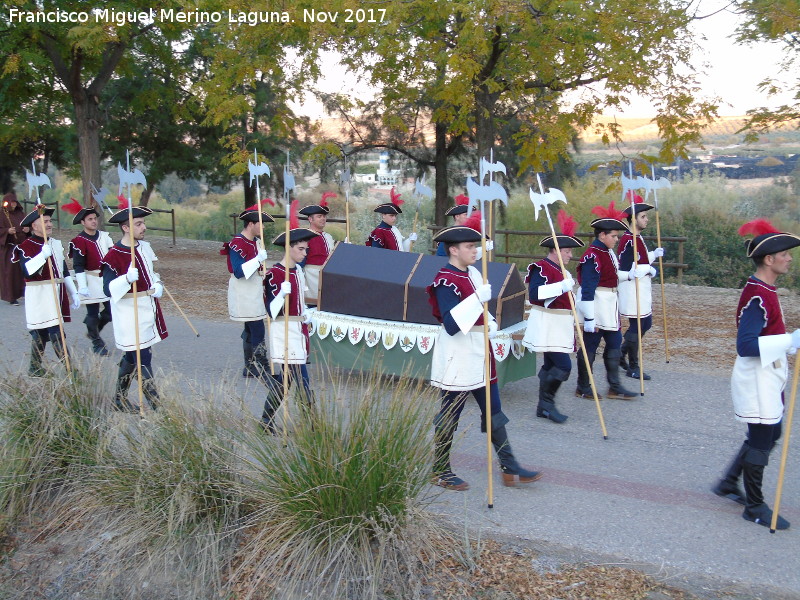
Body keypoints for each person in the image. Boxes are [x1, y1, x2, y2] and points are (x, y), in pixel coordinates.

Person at [427, 225, 541, 491]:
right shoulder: (445, 281)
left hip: (480, 350)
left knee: (494, 410)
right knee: (450, 414)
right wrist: (477, 298)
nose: (475, 251)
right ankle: (440, 470)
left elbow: (481, 311)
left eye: (475, 246)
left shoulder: (475, 273)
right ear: (454, 250)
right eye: (469, 246)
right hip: (457, 353)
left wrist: (489, 320)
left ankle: (510, 468)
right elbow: (451, 325)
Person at [712, 219, 800, 530]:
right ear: (769, 259)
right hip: (757, 378)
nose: (789, 259)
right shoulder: (757, 296)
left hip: (768, 375)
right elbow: (746, 345)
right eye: (785, 254)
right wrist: (788, 341)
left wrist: (787, 342)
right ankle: (754, 505)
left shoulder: (765, 290)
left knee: (769, 434)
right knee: (763, 438)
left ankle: (728, 482)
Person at [101, 207, 167, 412]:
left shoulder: (144, 247)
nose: (143, 227)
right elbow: (107, 290)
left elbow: (151, 274)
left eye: (143, 223)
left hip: (146, 309)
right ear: (125, 228)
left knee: (133, 356)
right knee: (142, 357)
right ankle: (156, 405)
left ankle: (119, 400)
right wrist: (126, 279)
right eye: (138, 224)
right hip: (128, 313)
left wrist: (157, 285)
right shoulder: (114, 255)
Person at [522, 210, 584, 423]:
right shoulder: (541, 268)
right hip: (547, 322)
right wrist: (561, 287)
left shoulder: (563, 271)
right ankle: (547, 404)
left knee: (550, 365)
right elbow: (534, 294)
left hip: (560, 323)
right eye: (567, 251)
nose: (570, 255)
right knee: (563, 366)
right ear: (556, 251)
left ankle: (544, 407)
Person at [575, 202, 638, 400]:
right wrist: (589, 317)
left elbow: (612, 275)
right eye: (613, 236)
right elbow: (587, 288)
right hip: (596, 304)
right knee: (590, 346)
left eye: (617, 236)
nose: (616, 239)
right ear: (602, 235)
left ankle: (614, 386)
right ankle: (583, 386)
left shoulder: (608, 252)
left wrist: (629, 275)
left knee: (615, 343)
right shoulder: (592, 255)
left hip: (610, 303)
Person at [261, 227, 319, 433]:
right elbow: (271, 311)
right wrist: (280, 295)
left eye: (306, 249)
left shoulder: (298, 271)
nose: (305, 253)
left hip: (298, 329)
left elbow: (300, 302)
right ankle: (313, 426)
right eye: (301, 249)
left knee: (286, 380)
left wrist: (308, 314)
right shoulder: (275, 274)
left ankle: (265, 421)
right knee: (301, 379)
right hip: (284, 330)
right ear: (289, 248)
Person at [11, 207, 81, 376]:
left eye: (50, 221)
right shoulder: (26, 246)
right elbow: (27, 271)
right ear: (34, 226)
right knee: (51, 332)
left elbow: (63, 271)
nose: (49, 224)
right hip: (39, 294)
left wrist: (74, 292)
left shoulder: (55, 244)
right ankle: (70, 371)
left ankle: (34, 368)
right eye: (45, 222)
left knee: (45, 332)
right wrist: (42, 256)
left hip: (55, 292)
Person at [617, 193, 664, 380]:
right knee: (638, 326)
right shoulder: (628, 240)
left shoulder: (637, 238)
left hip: (642, 289)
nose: (646, 219)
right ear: (633, 219)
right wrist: (647, 269)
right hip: (632, 289)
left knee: (646, 323)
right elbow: (626, 267)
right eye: (643, 216)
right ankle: (633, 366)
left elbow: (640, 260)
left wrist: (653, 255)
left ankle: (620, 354)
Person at [222, 207, 273, 377]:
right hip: (244, 292)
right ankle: (262, 367)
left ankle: (250, 366)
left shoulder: (256, 242)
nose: (263, 227)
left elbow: (259, 269)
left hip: (255, 290)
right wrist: (258, 259)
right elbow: (238, 271)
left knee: (251, 329)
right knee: (257, 328)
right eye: (261, 224)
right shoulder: (237, 243)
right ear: (251, 224)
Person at [63, 200, 115, 355]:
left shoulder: (105, 237)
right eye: (90, 219)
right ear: (83, 222)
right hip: (90, 279)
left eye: (95, 218)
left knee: (111, 310)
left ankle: (94, 330)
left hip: (106, 278)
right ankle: (97, 343)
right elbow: (78, 265)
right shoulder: (79, 241)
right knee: (92, 312)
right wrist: (82, 286)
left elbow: (113, 257)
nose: (94, 221)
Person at [299, 192, 336, 303]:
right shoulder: (305, 237)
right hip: (311, 277)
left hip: (327, 276)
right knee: (313, 304)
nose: (323, 219)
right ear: (310, 219)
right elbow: (300, 261)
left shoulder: (328, 237)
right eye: (319, 216)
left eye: (324, 216)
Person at [0, 192, 26, 305]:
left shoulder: (20, 214)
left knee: (22, 271)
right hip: (8, 248)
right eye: (11, 202)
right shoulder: (2, 214)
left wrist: (27, 229)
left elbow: (28, 224)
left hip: (21, 247)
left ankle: (23, 293)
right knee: (10, 273)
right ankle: (11, 297)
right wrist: (7, 231)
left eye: (15, 202)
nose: (14, 204)